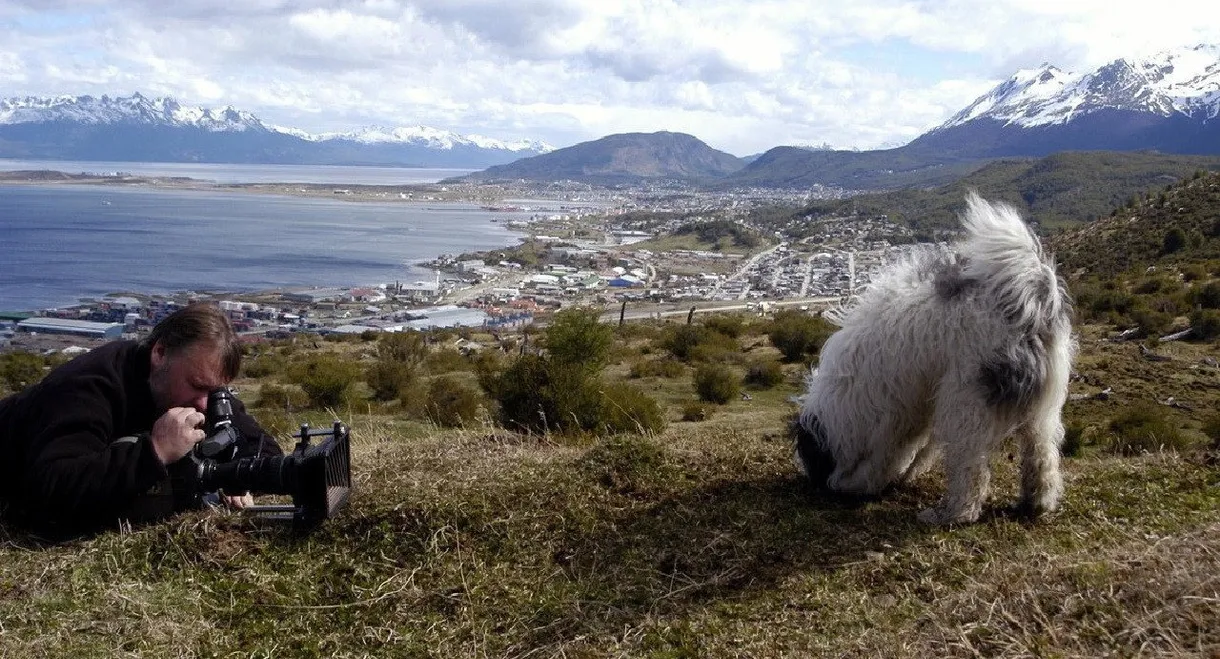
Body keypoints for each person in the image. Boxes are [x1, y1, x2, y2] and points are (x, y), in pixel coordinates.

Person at [0, 302, 282, 539]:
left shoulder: (200, 390)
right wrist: (155, 451)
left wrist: (235, 476)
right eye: (197, 386)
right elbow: (51, 488)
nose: (204, 404)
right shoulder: (89, 387)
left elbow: (265, 450)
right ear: (160, 353)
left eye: (215, 391)